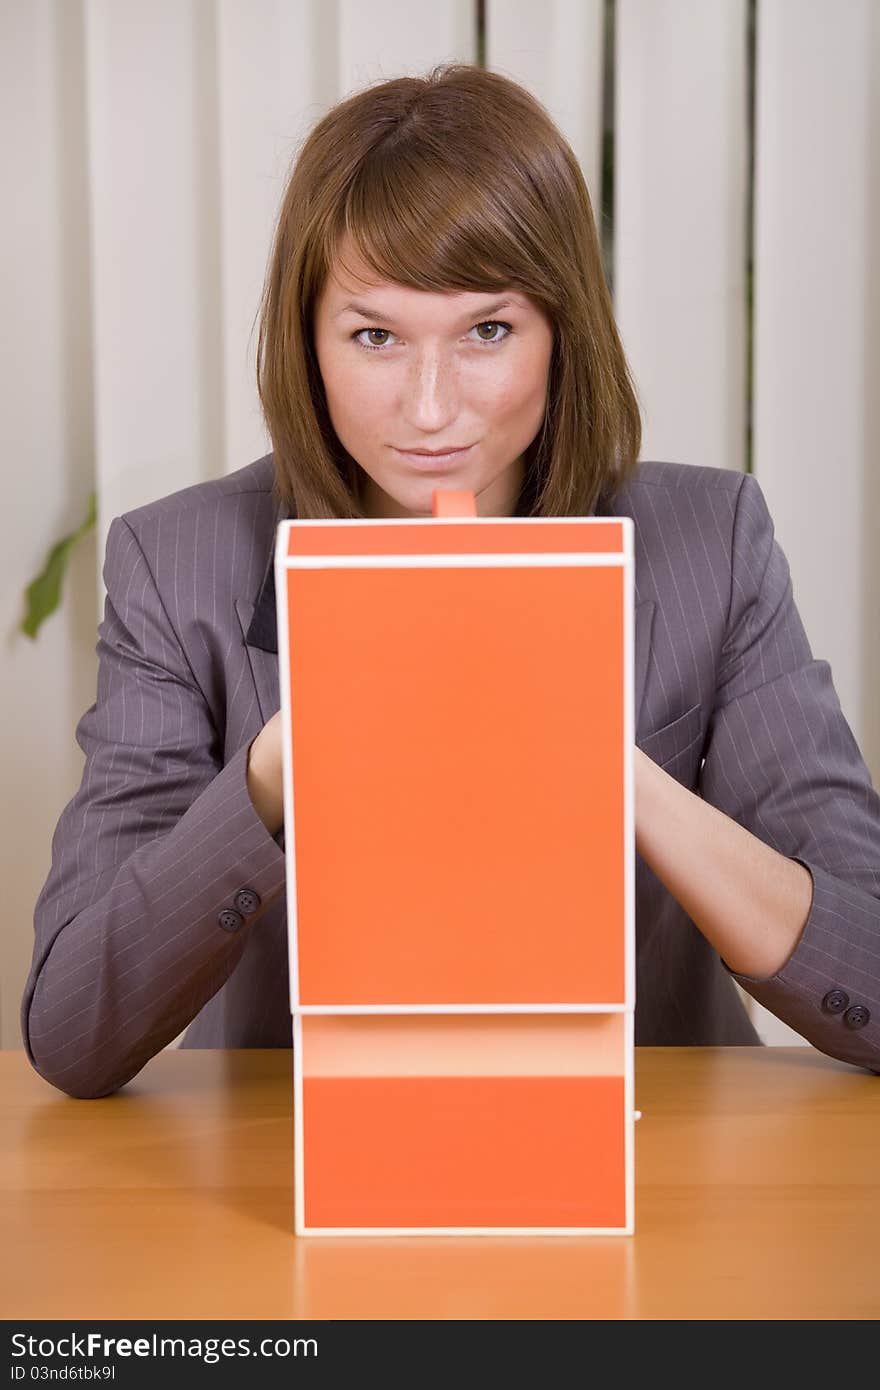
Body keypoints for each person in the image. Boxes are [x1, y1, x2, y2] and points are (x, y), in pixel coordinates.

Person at [23, 64, 879, 1099]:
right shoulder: (179, 566)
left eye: (487, 331)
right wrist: (271, 772)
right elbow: (71, 1031)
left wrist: (612, 774)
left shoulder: (709, 542)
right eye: (374, 335)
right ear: (310, 342)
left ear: (562, 334)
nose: (429, 410)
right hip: (295, 1170)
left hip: (651, 1171)